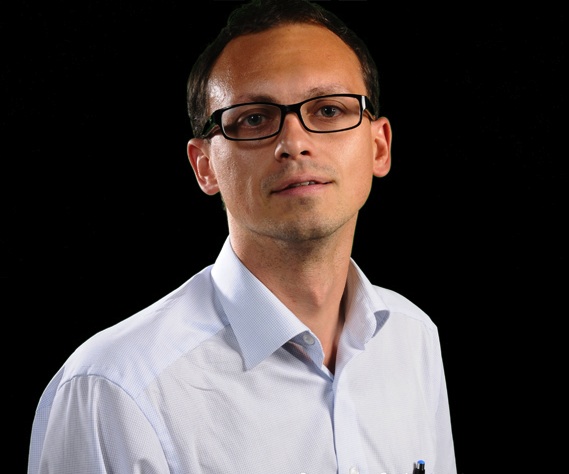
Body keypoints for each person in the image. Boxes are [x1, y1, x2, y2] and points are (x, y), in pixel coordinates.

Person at [28, 0, 457, 472]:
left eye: (329, 109)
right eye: (254, 118)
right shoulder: (114, 390)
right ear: (205, 166)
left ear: (379, 147)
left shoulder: (414, 338)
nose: (294, 143)